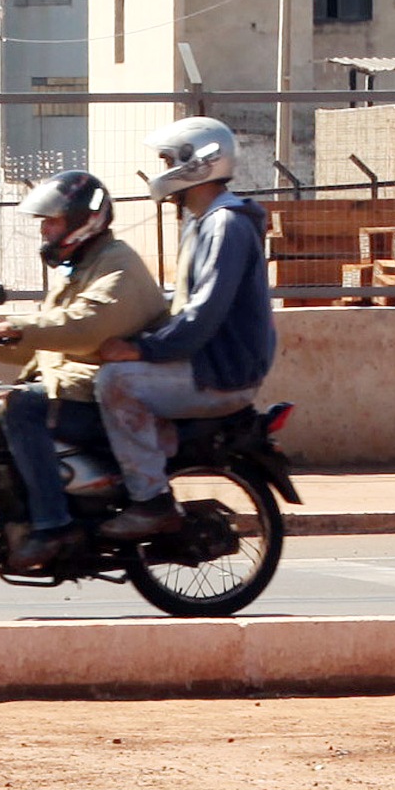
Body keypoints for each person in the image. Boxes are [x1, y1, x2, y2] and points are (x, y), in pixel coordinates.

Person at [0, 171, 168, 572]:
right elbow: (50, 343)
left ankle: (53, 524)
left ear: (82, 221)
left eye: (52, 221)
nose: (44, 230)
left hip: (108, 395)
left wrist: (14, 327)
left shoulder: (118, 265)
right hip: (81, 386)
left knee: (22, 407)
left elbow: (82, 327)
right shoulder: (81, 267)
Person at [88, 117, 278, 540]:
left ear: (198, 162)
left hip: (221, 372)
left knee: (115, 382)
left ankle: (150, 500)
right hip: (208, 363)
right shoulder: (203, 221)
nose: (162, 168)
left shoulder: (224, 225)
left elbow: (203, 314)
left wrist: (143, 349)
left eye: (168, 159)